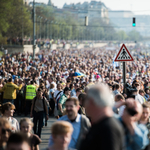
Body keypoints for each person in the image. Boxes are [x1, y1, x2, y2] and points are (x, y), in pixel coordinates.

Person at [79, 83, 124, 150]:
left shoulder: (109, 128)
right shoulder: (100, 123)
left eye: (86, 100)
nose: (85, 104)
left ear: (91, 102)